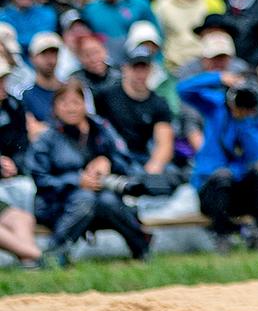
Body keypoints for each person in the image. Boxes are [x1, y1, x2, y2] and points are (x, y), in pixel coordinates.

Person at [25, 80, 153, 264]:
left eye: (76, 102)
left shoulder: (101, 129)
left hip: (101, 200)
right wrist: (77, 180)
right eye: (64, 103)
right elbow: (40, 179)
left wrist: (108, 162)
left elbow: (126, 161)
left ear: (85, 105)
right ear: (55, 107)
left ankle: (141, 249)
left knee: (107, 199)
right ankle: (55, 253)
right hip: (58, 203)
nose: (71, 108)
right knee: (85, 198)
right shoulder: (47, 139)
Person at [177, 68, 258, 251]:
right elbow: (183, 89)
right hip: (213, 191)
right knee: (223, 175)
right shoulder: (216, 106)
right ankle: (221, 236)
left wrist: (244, 120)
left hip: (243, 193)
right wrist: (219, 78)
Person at [94, 44, 180, 196]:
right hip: (115, 157)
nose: (140, 73)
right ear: (125, 68)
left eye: (144, 68)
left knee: (171, 175)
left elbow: (164, 142)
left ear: (151, 69)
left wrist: (154, 167)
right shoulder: (106, 96)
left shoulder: (158, 102)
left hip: (142, 157)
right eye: (136, 67)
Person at [0, 86, 43, 267]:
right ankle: (38, 255)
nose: (2, 86)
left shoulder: (13, 105)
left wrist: (12, 164)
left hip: (9, 176)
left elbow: (22, 144)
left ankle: (30, 265)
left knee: (22, 218)